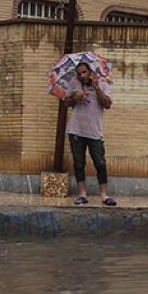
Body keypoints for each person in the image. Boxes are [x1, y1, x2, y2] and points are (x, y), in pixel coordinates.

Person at [64, 61, 115, 206]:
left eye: (84, 72)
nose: (81, 76)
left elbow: (107, 104)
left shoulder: (103, 83)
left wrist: (96, 88)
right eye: (79, 73)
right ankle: (82, 194)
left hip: (95, 131)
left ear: (90, 71)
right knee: (79, 163)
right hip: (76, 130)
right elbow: (66, 103)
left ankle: (104, 195)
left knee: (100, 163)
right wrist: (76, 97)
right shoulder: (74, 83)